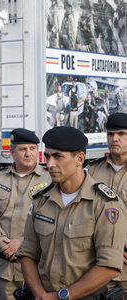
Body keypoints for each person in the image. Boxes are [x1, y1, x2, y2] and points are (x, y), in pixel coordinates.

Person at [16, 126, 127, 299]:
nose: (50, 164)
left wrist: (60, 297)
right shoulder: (40, 199)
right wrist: (40, 295)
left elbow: (109, 266)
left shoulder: (105, 204)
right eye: (47, 156)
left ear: (79, 158)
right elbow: (28, 252)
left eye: (58, 156)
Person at [0, 128, 51, 300]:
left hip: (39, 267)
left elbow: (54, 220)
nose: (28, 154)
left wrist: (23, 244)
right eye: (22, 149)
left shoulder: (50, 180)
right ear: (12, 152)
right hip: (6, 267)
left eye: (33, 149)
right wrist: (3, 243)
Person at [86, 112, 127, 298]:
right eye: (110, 134)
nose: (114, 139)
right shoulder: (91, 171)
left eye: (121, 134)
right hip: (98, 265)